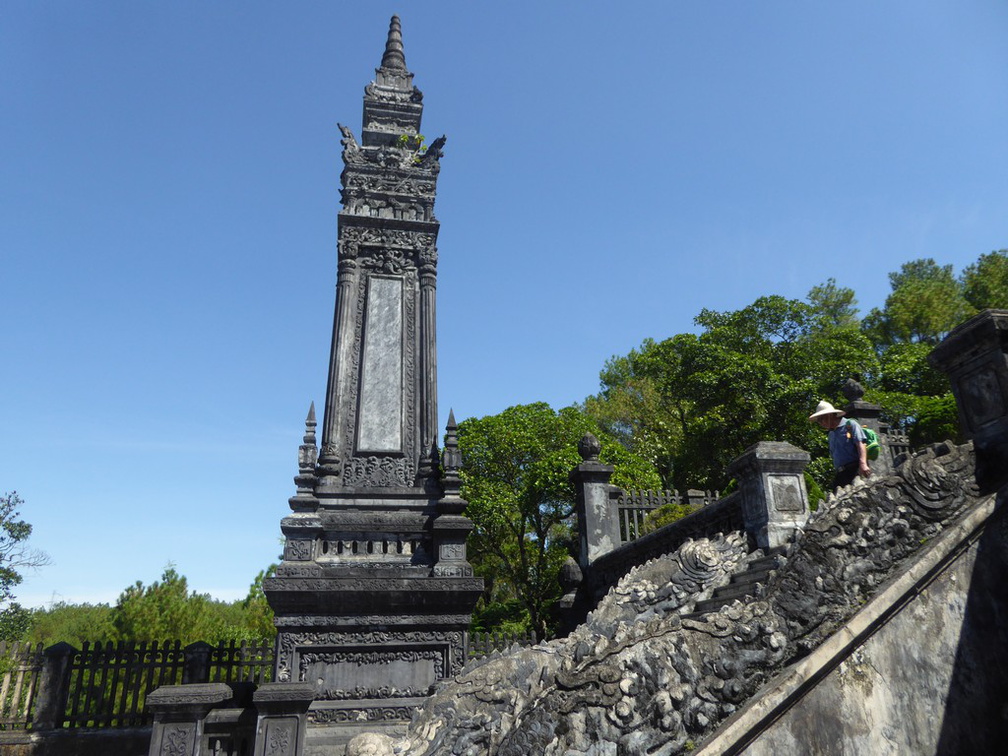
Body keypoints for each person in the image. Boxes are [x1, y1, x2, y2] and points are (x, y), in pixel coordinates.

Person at [809, 400, 870, 488]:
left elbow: (860, 444)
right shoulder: (831, 434)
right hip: (841, 472)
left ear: (829, 416)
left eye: (821, 419)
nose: (820, 423)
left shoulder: (850, 425)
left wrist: (863, 464)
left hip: (854, 469)